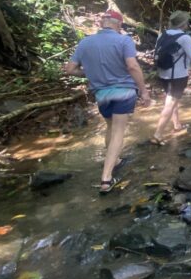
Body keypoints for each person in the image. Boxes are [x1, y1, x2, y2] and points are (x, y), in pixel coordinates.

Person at [64, 10, 152, 194]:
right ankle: (106, 178)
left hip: (101, 94)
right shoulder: (124, 40)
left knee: (110, 127)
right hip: (123, 91)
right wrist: (143, 91)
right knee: (119, 131)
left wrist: (88, 73)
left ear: (102, 23)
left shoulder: (85, 42)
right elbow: (132, 66)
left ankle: (116, 160)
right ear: (119, 24)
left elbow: (70, 69)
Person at [151, 10, 191, 146]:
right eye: (187, 22)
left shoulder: (163, 35)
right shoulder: (184, 38)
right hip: (177, 76)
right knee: (170, 103)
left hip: (163, 74)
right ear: (183, 24)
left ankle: (177, 125)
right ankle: (158, 134)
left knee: (172, 100)